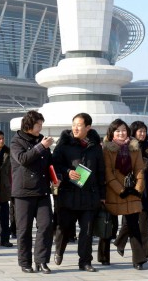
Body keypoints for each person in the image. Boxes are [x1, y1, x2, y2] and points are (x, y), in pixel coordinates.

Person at [52, 113, 105, 272]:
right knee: (64, 228)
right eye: (74, 124)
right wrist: (67, 172)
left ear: (88, 128)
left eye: (79, 125)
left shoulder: (95, 147)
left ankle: (85, 261)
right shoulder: (64, 145)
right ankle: (59, 250)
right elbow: (54, 165)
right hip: (68, 194)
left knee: (87, 231)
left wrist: (102, 196)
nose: (75, 127)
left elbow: (101, 172)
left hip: (89, 195)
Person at [11, 110, 57, 274]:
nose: (41, 127)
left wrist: (56, 177)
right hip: (23, 192)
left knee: (46, 226)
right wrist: (41, 146)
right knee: (24, 229)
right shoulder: (17, 141)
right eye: (38, 124)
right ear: (29, 125)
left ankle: (42, 261)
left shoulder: (41, 140)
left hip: (42, 190)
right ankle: (25, 262)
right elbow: (23, 159)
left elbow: (49, 163)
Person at [99, 119, 146, 269]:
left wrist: (138, 188)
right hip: (113, 191)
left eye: (124, 130)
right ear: (112, 132)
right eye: (117, 130)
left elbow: (139, 169)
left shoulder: (135, 148)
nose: (121, 133)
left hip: (131, 190)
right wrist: (120, 190)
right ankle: (104, 256)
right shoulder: (106, 149)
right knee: (108, 225)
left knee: (133, 225)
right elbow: (107, 173)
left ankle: (138, 260)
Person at [113, 121, 148, 265]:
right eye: (139, 131)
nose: (142, 134)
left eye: (144, 131)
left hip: (145, 192)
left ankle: (143, 253)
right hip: (132, 190)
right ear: (133, 132)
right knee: (130, 223)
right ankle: (122, 243)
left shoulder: (147, 148)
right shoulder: (127, 147)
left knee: (143, 224)